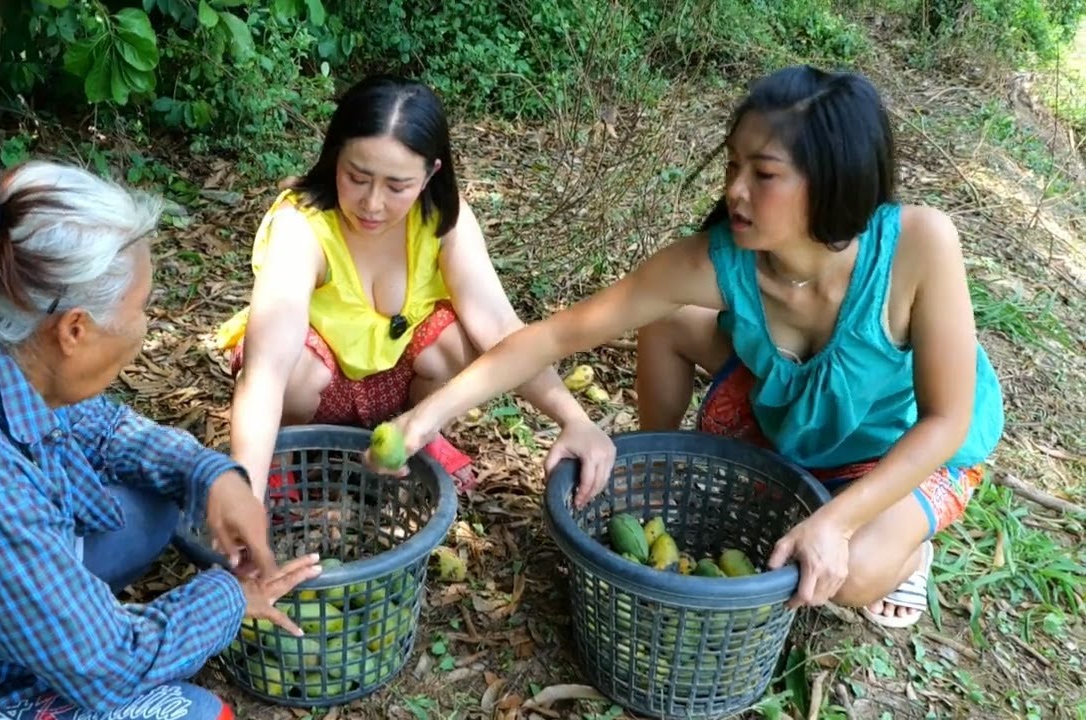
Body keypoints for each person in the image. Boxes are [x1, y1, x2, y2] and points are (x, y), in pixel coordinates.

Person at [371, 65, 1005, 629]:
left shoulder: (919, 245)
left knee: (855, 575)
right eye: (733, 166)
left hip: (903, 444)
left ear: (831, 179)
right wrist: (427, 417)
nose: (735, 190)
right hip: (798, 418)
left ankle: (909, 546)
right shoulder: (719, 261)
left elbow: (946, 419)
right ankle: (659, 467)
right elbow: (556, 335)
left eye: (765, 174)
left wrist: (836, 523)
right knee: (671, 323)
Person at [0, 161, 322, 719]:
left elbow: (98, 426)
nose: (145, 327)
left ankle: (58, 631)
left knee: (147, 507)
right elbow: (111, 667)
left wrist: (211, 474)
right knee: (189, 712)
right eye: (140, 310)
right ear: (74, 329)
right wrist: (231, 598)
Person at [218, 74, 615, 505]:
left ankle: (418, 432)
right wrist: (245, 495)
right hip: (317, 387)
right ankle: (280, 455)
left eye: (397, 186)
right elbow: (266, 372)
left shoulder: (443, 219)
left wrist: (575, 419)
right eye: (357, 176)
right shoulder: (302, 226)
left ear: (430, 175)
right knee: (296, 369)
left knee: (457, 339)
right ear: (335, 159)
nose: (372, 203)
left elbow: (502, 329)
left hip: (398, 389)